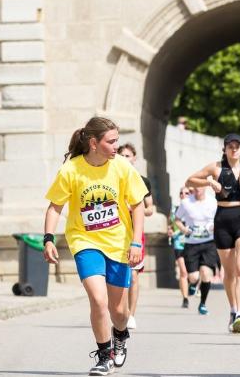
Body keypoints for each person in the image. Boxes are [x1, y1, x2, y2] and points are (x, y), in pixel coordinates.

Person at [42, 117, 147, 376]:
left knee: (119, 311)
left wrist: (136, 242)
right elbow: (55, 206)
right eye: (110, 141)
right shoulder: (71, 170)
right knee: (98, 300)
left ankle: (120, 334)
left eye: (116, 141)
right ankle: (103, 355)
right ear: (93, 143)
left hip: (118, 243)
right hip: (84, 241)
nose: (115, 146)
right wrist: (48, 238)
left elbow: (138, 205)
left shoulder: (122, 167)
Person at [187, 133, 240, 333]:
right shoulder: (215, 168)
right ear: (225, 149)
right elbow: (189, 181)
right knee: (228, 271)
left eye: (237, 146)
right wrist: (209, 183)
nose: (234, 149)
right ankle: (233, 309)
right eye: (230, 146)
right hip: (223, 219)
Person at [117, 143, 156, 330]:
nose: (124, 159)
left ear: (134, 158)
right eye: (121, 155)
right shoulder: (113, 178)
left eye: (128, 155)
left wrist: (135, 209)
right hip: (115, 233)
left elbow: (150, 208)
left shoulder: (142, 181)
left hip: (134, 233)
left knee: (132, 275)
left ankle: (131, 315)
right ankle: (120, 312)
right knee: (118, 275)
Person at [174, 187, 218, 315]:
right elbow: (177, 219)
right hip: (191, 244)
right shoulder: (186, 203)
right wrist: (184, 230)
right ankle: (193, 284)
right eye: (195, 186)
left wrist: (214, 227)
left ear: (205, 187)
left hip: (209, 243)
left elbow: (218, 219)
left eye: (200, 186)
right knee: (193, 277)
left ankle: (203, 304)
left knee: (206, 273)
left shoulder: (212, 202)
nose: (198, 189)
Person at [168, 186, 191, 308]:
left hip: (192, 243)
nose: (183, 195)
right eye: (181, 193)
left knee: (193, 273)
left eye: (186, 193)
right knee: (183, 271)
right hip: (178, 243)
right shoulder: (174, 209)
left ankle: (193, 285)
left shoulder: (194, 208)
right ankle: (185, 298)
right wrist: (170, 230)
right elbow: (170, 224)